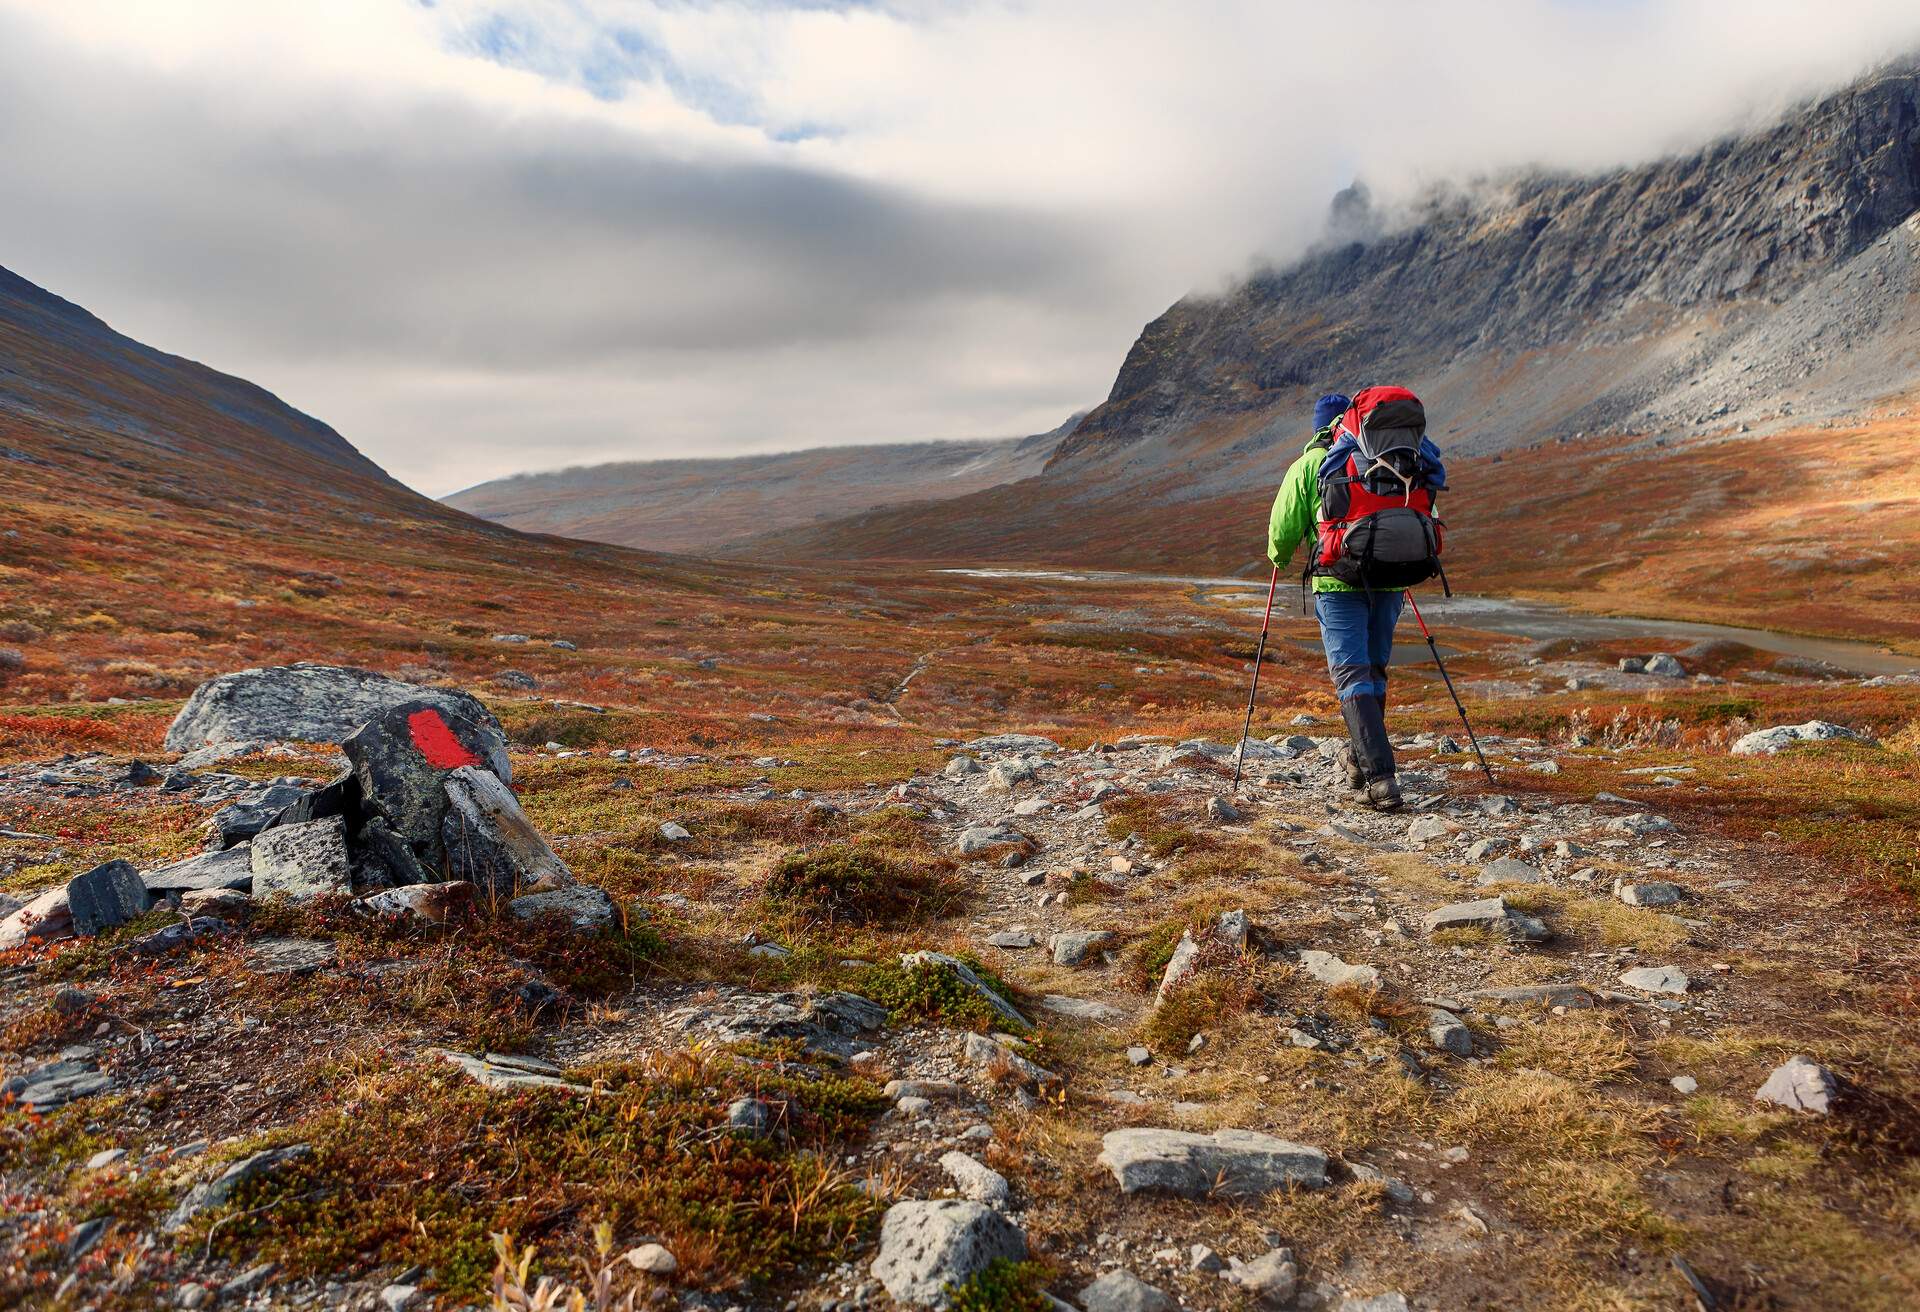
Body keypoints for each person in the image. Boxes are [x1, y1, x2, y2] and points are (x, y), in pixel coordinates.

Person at [1265, 392, 1407, 810]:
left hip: (1338, 584)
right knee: (1374, 671)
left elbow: (1282, 529)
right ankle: (1360, 764)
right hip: (1390, 581)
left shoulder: (1309, 465)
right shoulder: (1389, 455)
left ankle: (1382, 780)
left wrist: (1279, 556)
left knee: (1351, 677)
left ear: (1317, 428)